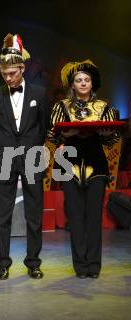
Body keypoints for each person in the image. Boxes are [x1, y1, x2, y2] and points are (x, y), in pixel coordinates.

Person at [0, 33, 49, 280]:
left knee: (34, 213)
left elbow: (44, 127)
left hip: (32, 154)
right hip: (4, 155)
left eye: (12, 73)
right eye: (4, 73)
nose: (8, 77)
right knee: (2, 214)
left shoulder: (40, 94)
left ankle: (33, 262)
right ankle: (2, 264)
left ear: (22, 68)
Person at [49, 60, 119, 279]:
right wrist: (64, 136)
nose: (83, 83)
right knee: (76, 217)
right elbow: (52, 135)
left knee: (93, 216)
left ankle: (94, 266)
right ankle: (80, 266)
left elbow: (112, 140)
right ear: (72, 84)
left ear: (92, 83)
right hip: (69, 164)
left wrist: (106, 134)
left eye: (86, 80)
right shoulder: (61, 107)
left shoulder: (104, 108)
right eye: (78, 80)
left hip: (96, 164)